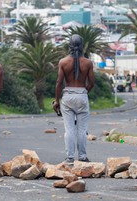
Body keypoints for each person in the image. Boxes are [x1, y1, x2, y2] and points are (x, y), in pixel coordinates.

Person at [53, 34, 94, 164]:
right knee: (82, 130)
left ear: (69, 46)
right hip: (82, 95)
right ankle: (82, 157)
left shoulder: (63, 62)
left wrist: (56, 100)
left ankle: (70, 158)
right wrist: (82, 92)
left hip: (68, 96)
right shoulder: (88, 62)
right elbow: (92, 83)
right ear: (82, 46)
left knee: (69, 129)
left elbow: (59, 83)